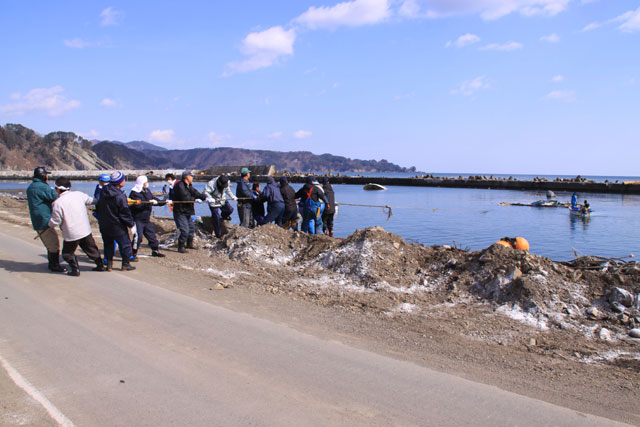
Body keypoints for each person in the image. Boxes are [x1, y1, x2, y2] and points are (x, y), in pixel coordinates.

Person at [48, 177, 105, 276]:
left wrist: (48, 224)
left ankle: (75, 269)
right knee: (91, 248)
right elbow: (92, 201)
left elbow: (56, 221)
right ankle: (100, 265)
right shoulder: (79, 195)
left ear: (57, 189)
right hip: (85, 229)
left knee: (67, 253)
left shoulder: (57, 203)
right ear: (69, 187)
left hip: (71, 232)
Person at [26, 166, 66, 273]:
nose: (48, 176)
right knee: (53, 244)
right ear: (43, 176)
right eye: (46, 174)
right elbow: (54, 196)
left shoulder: (32, 186)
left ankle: (52, 264)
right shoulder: (42, 187)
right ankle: (54, 265)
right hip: (44, 220)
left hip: (38, 219)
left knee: (50, 243)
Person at [96, 171, 136, 271]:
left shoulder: (103, 191)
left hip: (104, 223)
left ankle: (109, 265)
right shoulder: (119, 196)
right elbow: (124, 212)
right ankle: (125, 264)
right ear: (119, 182)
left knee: (108, 244)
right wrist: (131, 224)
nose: (124, 181)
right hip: (117, 224)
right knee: (125, 244)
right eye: (123, 179)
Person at [129, 175, 166, 259]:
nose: (147, 183)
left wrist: (164, 202)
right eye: (146, 182)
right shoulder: (134, 193)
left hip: (146, 219)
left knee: (152, 235)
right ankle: (132, 253)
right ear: (142, 183)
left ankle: (155, 250)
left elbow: (154, 199)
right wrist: (148, 203)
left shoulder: (147, 191)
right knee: (138, 237)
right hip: (138, 219)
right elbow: (136, 206)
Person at [172, 170, 206, 253]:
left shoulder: (189, 185)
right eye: (191, 176)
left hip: (187, 211)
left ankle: (189, 244)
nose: (192, 177)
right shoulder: (179, 186)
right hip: (180, 211)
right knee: (185, 229)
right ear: (186, 177)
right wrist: (195, 199)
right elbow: (185, 198)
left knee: (191, 228)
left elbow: (195, 192)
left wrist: (203, 197)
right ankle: (181, 246)